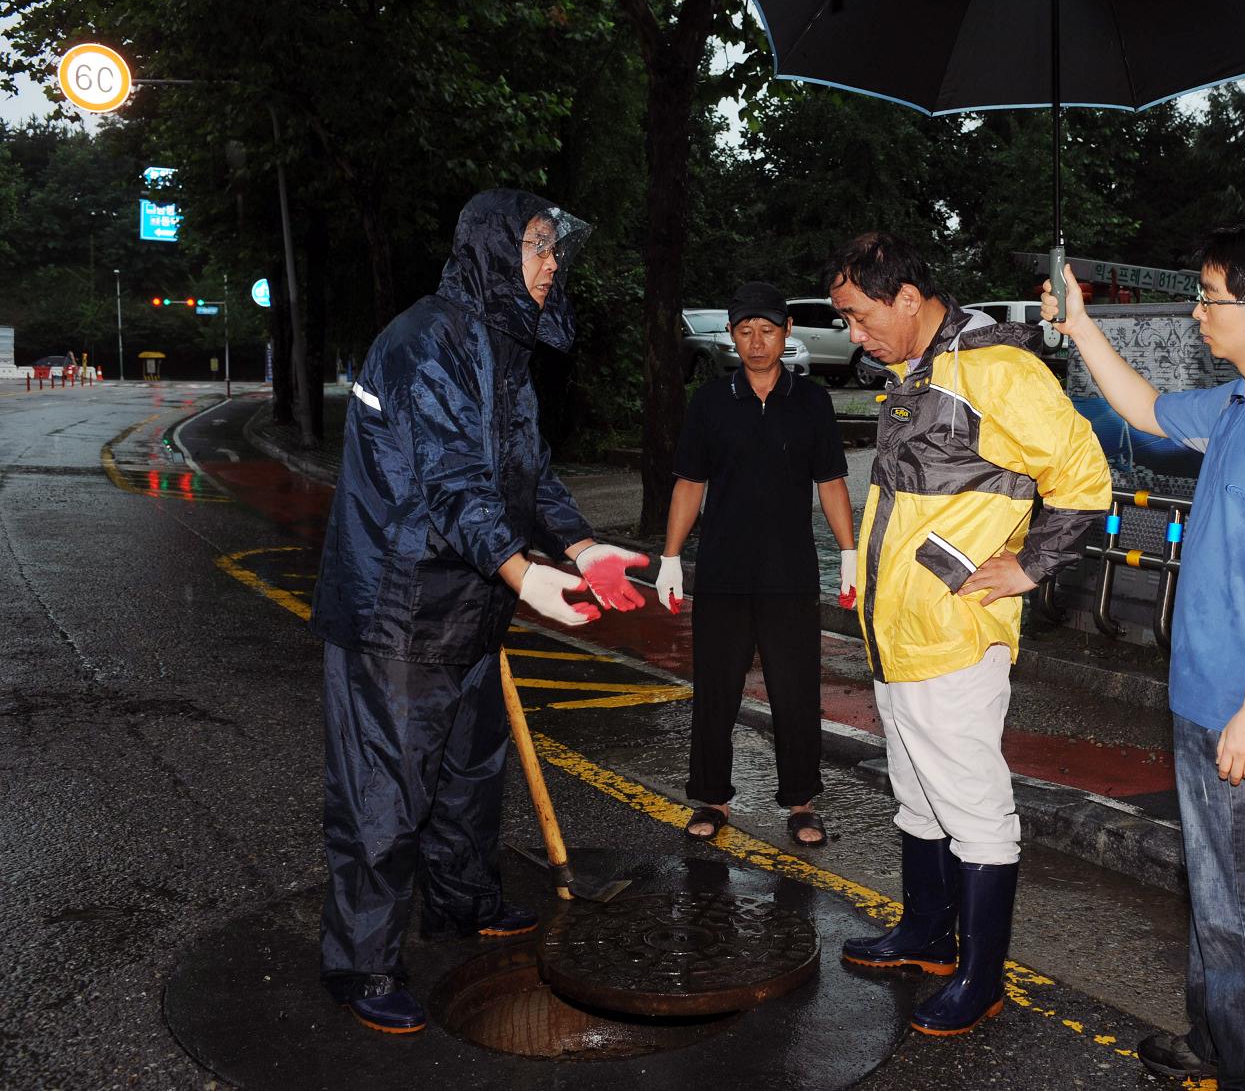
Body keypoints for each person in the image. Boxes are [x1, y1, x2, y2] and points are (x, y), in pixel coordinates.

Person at [309, 188, 649, 1035]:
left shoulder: (500, 346)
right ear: (493, 250)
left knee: (467, 777)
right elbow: (449, 483)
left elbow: (527, 472)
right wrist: (520, 571)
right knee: (383, 797)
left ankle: (462, 903)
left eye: (553, 253)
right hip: (398, 615)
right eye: (536, 248)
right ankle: (360, 963)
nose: (549, 267)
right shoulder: (428, 342)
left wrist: (578, 546)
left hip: (467, 608)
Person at [1042, 219, 1245, 1089]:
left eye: (1211, 298)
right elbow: (1143, 408)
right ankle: (1219, 1040)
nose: (1197, 313)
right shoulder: (1237, 406)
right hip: (1202, 694)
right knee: (1213, 890)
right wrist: (1080, 325)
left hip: (1243, 709)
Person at [826, 232, 1110, 1036]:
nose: (852, 334)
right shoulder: (918, 370)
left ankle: (981, 978)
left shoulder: (993, 368)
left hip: (952, 635)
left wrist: (1032, 565)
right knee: (919, 795)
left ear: (907, 297)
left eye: (856, 315)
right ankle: (926, 934)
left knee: (976, 809)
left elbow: (1083, 477)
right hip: (899, 634)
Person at [653, 281, 857, 849]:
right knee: (715, 690)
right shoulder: (712, 402)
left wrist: (849, 553)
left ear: (786, 332)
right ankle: (712, 798)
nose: (757, 342)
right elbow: (690, 482)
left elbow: (832, 483)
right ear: (732, 335)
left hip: (790, 574)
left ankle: (801, 803)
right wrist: (670, 558)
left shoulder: (811, 401)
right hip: (722, 570)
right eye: (745, 332)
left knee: (795, 693)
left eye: (767, 330)